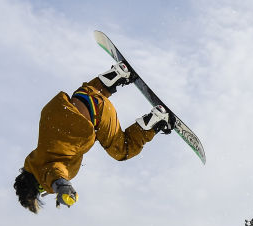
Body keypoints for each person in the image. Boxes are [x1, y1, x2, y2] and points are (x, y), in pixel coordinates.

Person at [13, 62, 174, 213]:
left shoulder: (45, 173)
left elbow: (56, 173)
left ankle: (156, 119)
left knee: (122, 150)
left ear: (38, 187)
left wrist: (62, 187)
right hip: (84, 95)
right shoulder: (38, 157)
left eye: (41, 191)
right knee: (89, 99)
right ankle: (117, 74)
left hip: (99, 113)